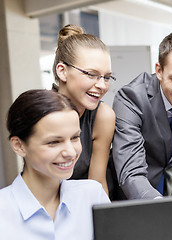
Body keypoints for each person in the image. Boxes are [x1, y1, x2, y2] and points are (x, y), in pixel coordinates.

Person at [111, 30, 172, 200]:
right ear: (159, 70)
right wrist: (158, 208)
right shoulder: (131, 98)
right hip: (131, 197)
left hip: (169, 191)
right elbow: (131, 172)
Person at [0, 89, 110, 239]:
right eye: (54, 142)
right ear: (19, 145)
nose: (70, 152)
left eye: (75, 137)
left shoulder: (92, 195)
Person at [53, 24, 115, 195]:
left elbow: (97, 184)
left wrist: (102, 220)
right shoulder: (41, 114)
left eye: (107, 77)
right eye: (91, 74)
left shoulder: (103, 116)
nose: (102, 85)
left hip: (84, 205)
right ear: (62, 71)